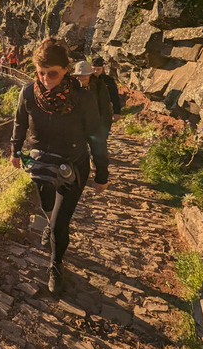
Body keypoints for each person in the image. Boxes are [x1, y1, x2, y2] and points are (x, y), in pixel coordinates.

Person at [10, 38, 109, 293]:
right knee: (46, 207)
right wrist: (15, 151)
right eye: (40, 73)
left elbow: (96, 135)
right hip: (39, 164)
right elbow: (20, 123)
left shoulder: (83, 99)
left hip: (72, 167)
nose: (45, 79)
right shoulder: (28, 93)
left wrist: (101, 173)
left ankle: (55, 264)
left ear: (66, 70)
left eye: (51, 73)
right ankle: (51, 231)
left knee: (58, 222)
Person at [73, 60, 113, 134]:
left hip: (96, 127)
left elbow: (105, 107)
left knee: (98, 145)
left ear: (90, 75)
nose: (82, 77)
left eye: (85, 74)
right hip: (77, 127)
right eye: (80, 75)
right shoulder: (72, 87)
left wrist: (105, 128)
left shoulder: (99, 86)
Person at [92, 57, 121, 123]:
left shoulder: (109, 80)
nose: (96, 71)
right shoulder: (87, 80)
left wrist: (117, 112)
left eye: (98, 69)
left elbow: (114, 96)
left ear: (103, 69)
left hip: (105, 110)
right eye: (94, 69)